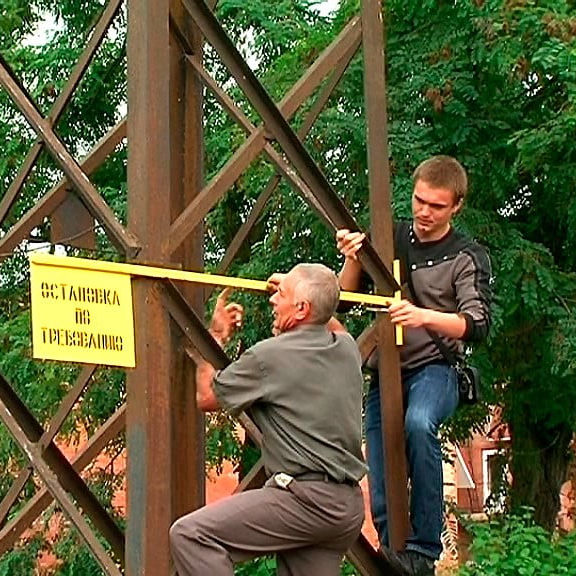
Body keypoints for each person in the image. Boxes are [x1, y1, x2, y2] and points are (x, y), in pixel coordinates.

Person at [335, 155, 492, 576]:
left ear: (456, 206)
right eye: (419, 201)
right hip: (384, 370)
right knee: (380, 450)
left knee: (419, 423)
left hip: (436, 369)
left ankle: (423, 548)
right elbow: (344, 302)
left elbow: (476, 324)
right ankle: (391, 548)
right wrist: (353, 256)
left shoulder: (467, 255)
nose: (424, 212)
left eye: (436, 206)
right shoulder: (391, 238)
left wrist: (424, 316)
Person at [169, 263, 367, 576]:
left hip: (305, 501)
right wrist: (306, 291)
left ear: (301, 308)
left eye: (281, 295)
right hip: (345, 508)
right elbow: (330, 320)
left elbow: (207, 397)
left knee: (192, 535)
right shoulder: (345, 348)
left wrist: (217, 334)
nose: (273, 300)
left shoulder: (268, 357)